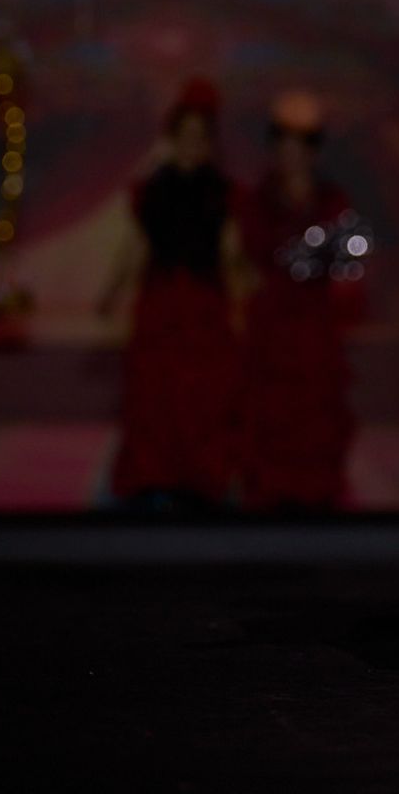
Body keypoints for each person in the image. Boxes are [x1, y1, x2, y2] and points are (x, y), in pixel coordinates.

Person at [99, 78, 243, 508]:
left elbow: (229, 251)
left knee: (203, 396)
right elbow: (135, 246)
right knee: (154, 395)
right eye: (185, 136)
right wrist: (111, 292)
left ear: (209, 142)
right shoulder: (153, 188)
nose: (192, 145)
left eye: (200, 138)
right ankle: (152, 473)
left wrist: (242, 305)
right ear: (172, 137)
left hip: (203, 305)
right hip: (161, 304)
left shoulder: (221, 191)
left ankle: (199, 476)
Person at [235, 89, 357, 512]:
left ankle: (316, 495)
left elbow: (349, 262)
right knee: (270, 412)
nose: (292, 153)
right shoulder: (257, 199)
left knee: (316, 413)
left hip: (316, 327)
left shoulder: (332, 200)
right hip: (272, 325)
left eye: (302, 143)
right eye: (284, 142)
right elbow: (248, 256)